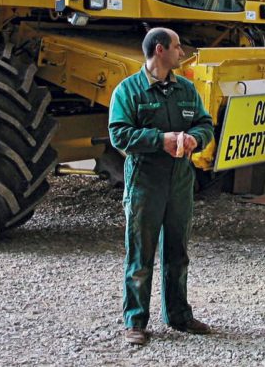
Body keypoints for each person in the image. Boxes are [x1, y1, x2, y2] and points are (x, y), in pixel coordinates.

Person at [109, 27, 214, 346]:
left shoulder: (186, 89)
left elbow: (205, 123)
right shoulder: (129, 91)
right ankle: (135, 321)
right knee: (141, 253)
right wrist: (160, 140)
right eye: (177, 47)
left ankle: (179, 315)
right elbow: (119, 135)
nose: (181, 52)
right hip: (145, 182)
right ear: (159, 50)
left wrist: (197, 137)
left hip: (180, 181)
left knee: (178, 252)